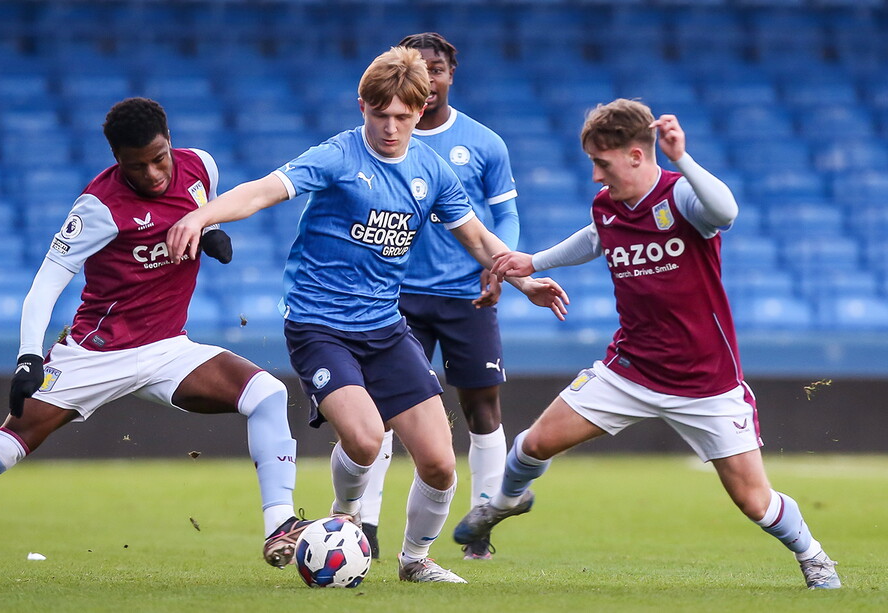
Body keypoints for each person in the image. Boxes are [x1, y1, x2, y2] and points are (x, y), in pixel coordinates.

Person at [166, 47, 569, 583]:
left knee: (440, 462)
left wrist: (525, 281)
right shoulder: (338, 155)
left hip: (383, 326)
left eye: (403, 116)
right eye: (380, 114)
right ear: (362, 106)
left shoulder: (433, 171)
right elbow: (264, 190)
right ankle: (344, 515)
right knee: (365, 438)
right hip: (318, 323)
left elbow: (476, 237)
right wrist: (201, 216)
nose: (390, 127)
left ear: (422, 109)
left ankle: (415, 560)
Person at [452, 99, 842, 590]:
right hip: (630, 368)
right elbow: (597, 237)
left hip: (706, 381)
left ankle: (815, 557)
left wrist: (682, 158)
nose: (595, 175)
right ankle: (504, 502)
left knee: (754, 501)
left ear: (636, 156)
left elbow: (727, 210)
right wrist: (535, 262)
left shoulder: (682, 198)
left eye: (603, 163)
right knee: (532, 444)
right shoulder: (608, 206)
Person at [0, 97, 306, 570]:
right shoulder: (98, 207)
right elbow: (45, 284)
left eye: (158, 157)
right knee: (3, 449)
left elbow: (197, 203)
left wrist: (207, 227)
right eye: (136, 166)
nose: (152, 174)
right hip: (96, 355)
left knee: (267, 393)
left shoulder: (200, 168)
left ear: (170, 141)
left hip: (169, 348)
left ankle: (280, 526)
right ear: (117, 161)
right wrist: (28, 356)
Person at [358, 32, 519, 562]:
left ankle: (481, 527)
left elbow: (506, 215)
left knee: (481, 407)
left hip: (465, 296)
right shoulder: (384, 140)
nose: (429, 78)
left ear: (451, 74)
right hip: (397, 293)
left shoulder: (484, 143)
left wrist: (502, 264)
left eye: (438, 68)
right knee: (379, 412)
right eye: (419, 69)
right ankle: (366, 524)